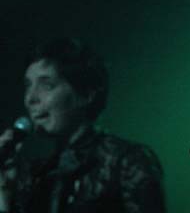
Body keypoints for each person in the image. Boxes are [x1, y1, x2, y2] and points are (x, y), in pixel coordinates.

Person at [0, 38, 166, 213]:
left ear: (86, 93)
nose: (30, 98)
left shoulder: (125, 161)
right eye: (28, 85)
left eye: (47, 85)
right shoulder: (38, 175)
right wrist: (4, 193)